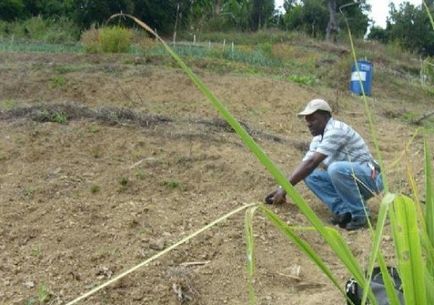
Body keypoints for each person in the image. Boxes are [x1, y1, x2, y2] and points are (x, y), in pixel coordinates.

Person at [265, 98, 383, 230]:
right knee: (310, 175)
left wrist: (284, 189)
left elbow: (312, 162)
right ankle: (345, 212)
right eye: (307, 120)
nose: (309, 123)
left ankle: (361, 216)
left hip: (370, 178)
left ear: (326, 117)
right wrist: (282, 187)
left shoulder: (336, 130)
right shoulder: (317, 139)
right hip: (350, 181)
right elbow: (306, 163)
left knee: (335, 169)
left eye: (313, 119)